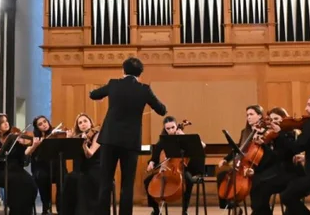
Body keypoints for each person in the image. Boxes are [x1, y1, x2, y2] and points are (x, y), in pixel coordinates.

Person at [89, 57, 167, 215]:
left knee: (105, 182)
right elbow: (162, 110)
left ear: (123, 71)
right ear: (140, 73)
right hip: (130, 142)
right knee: (127, 184)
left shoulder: (113, 84)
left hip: (109, 139)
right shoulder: (144, 89)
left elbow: (94, 95)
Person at [144, 115, 205, 215]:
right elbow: (155, 157)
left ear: (176, 126)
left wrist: (183, 135)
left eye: (173, 127)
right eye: (168, 128)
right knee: (147, 181)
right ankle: (156, 211)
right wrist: (151, 162)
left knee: (189, 180)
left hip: (182, 169)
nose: (171, 130)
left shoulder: (185, 139)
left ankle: (184, 211)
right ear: (165, 129)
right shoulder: (163, 141)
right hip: (167, 170)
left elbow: (202, 145)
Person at [247, 107, 303, 215]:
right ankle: (260, 212)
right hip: (278, 171)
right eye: (271, 120)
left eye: (277, 118)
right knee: (256, 180)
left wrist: (279, 133)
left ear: (284, 119)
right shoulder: (272, 135)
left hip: (291, 172)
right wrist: (263, 144)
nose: (274, 122)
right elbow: (272, 157)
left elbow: (286, 153)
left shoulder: (291, 134)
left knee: (262, 185)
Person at [0, 113, 39, 215]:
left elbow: (24, 157)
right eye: (2, 122)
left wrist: (32, 146)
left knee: (32, 185)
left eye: (6, 121)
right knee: (16, 184)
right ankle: (15, 211)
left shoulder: (13, 137)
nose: (6, 123)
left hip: (16, 170)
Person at [216, 104, 266, 210]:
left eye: (251, 114)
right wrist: (226, 159)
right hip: (243, 165)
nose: (248, 117)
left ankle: (256, 208)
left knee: (254, 182)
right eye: (247, 115)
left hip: (258, 166)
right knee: (222, 175)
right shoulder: (245, 132)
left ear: (260, 116)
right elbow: (238, 149)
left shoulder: (264, 132)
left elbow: (266, 153)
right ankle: (232, 206)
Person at [60, 113, 102, 215]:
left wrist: (84, 144)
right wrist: (69, 140)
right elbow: (69, 155)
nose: (83, 124)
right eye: (80, 123)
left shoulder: (97, 135)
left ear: (90, 123)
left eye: (85, 121)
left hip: (95, 170)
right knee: (68, 178)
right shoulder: (77, 137)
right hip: (80, 170)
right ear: (78, 126)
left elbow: (90, 154)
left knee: (82, 180)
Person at [27, 115, 68, 215]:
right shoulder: (36, 139)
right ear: (37, 128)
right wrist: (35, 145)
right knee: (42, 176)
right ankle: (46, 207)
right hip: (41, 168)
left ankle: (61, 208)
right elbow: (29, 154)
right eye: (40, 124)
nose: (44, 125)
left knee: (63, 176)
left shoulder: (56, 134)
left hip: (57, 167)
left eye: (45, 122)